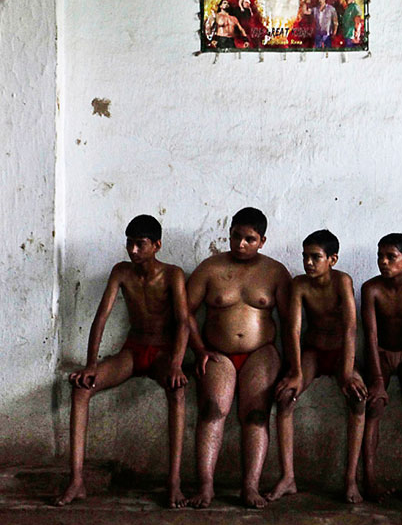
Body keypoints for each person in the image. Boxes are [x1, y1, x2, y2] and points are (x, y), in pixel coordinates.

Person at [55, 215, 189, 508]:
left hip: (164, 354)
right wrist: (91, 364)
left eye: (140, 244)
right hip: (133, 350)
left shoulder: (173, 275)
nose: (132, 250)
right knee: (82, 388)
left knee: (178, 391)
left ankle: (174, 483)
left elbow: (183, 323)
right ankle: (76, 480)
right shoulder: (121, 272)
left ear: (156, 245)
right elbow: (101, 317)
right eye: (129, 243)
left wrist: (177, 363)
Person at [186, 207, 294, 509]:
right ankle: (206, 486)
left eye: (250, 239)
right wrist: (198, 349)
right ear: (229, 233)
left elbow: (289, 323)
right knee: (211, 411)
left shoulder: (275, 272)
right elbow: (186, 313)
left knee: (256, 415)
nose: (241, 244)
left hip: (261, 353)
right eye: (236, 237)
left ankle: (250, 486)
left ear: (262, 240)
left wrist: (292, 367)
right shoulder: (210, 268)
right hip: (217, 352)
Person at [269, 230, 368, 504]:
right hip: (312, 351)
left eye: (315, 257)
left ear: (332, 259)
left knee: (359, 400)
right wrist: (296, 371)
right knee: (285, 398)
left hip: (340, 354)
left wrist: (347, 371)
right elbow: (293, 329)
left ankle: (350, 479)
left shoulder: (342, 282)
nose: (308, 263)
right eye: (305, 257)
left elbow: (350, 328)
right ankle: (287, 477)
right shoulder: (299, 284)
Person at [360, 234, 402, 502]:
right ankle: (370, 479)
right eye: (380, 256)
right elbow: (371, 337)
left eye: (391, 257)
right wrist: (376, 379)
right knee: (373, 404)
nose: (383, 262)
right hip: (381, 354)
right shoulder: (371, 289)